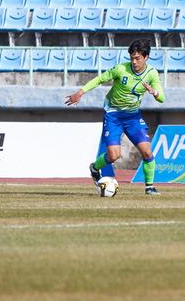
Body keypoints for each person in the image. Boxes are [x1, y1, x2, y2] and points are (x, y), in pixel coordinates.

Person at [66, 39, 164, 195]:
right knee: (114, 155)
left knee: (147, 152)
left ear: (146, 57)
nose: (134, 61)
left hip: (133, 117)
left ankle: (149, 187)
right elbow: (100, 79)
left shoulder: (152, 74)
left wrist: (155, 92)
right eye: (132, 57)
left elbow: (162, 98)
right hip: (113, 115)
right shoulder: (120, 69)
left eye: (137, 58)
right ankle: (95, 167)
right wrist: (81, 92)